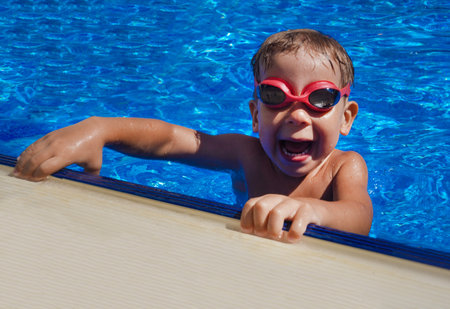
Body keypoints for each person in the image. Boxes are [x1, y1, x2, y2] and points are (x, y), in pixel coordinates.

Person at [13, 29, 373, 242]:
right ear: (255, 115)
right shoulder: (246, 154)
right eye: (275, 96)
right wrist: (100, 128)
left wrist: (310, 209)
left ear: (347, 118)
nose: (296, 114)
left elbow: (359, 216)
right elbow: (173, 139)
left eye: (320, 99)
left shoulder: (343, 167)